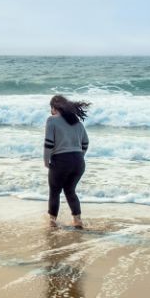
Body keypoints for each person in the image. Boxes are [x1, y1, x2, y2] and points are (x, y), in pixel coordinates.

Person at [44, 94, 90, 229]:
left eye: (51, 108)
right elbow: (85, 143)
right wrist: (79, 156)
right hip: (78, 162)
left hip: (61, 161)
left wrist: (46, 160)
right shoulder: (77, 123)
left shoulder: (52, 120)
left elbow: (49, 143)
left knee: (54, 191)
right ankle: (77, 220)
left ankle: (52, 222)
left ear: (54, 107)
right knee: (70, 191)